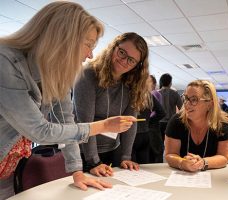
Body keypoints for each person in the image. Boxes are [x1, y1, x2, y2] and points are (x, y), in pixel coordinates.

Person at [0, 2, 137, 199]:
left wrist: (77, 172)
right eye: (88, 44)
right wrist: (103, 126)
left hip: (7, 169)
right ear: (63, 38)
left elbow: (66, 122)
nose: (90, 54)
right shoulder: (5, 61)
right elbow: (40, 131)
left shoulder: (56, 73)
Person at [73, 32, 149, 176]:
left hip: (113, 149)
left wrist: (126, 157)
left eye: (131, 60)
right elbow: (85, 123)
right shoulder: (88, 74)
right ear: (113, 47)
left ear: (137, 65)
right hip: (84, 152)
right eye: (122, 52)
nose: (124, 61)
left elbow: (130, 123)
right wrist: (94, 162)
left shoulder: (132, 83)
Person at [165, 80, 228, 172]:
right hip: (182, 176)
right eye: (185, 98)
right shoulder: (176, 121)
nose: (186, 104)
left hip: (214, 178)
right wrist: (182, 163)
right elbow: (170, 154)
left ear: (209, 104)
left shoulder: (223, 124)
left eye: (194, 100)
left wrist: (203, 162)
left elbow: (224, 157)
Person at [132, 76, 165, 164]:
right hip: (145, 133)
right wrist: (148, 121)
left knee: (131, 164)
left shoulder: (130, 94)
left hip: (131, 134)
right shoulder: (148, 95)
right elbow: (161, 112)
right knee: (144, 164)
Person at [159, 73, 183, 141]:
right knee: (169, 143)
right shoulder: (175, 94)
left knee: (159, 144)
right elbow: (182, 108)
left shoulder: (155, 93)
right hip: (171, 122)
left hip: (158, 123)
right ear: (170, 83)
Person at [148, 75, 165, 163]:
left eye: (149, 81)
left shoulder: (153, 93)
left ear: (154, 84)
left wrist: (148, 120)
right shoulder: (154, 93)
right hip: (154, 125)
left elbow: (158, 111)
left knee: (154, 152)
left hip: (152, 126)